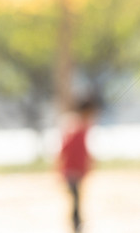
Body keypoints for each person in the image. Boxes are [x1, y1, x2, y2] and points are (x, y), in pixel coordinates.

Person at [57, 96, 99, 232]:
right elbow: (67, 149)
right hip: (71, 171)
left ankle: (78, 225)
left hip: (75, 171)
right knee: (76, 201)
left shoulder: (77, 126)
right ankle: (77, 227)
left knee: (77, 199)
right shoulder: (77, 127)